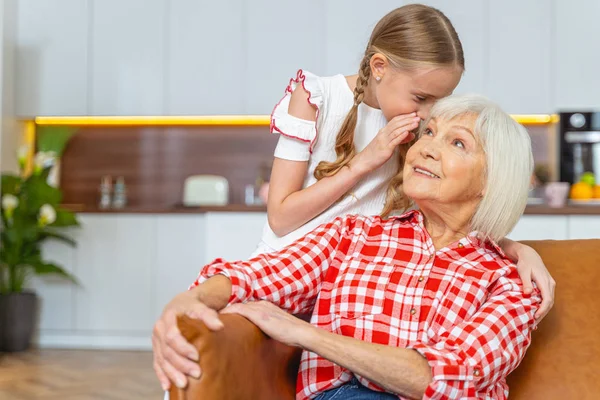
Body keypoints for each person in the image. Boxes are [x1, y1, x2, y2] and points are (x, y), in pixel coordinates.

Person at [154, 95, 542, 399]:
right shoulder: (352, 236)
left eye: (457, 142)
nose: (426, 148)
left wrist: (305, 335)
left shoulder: (511, 283)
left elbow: (448, 376)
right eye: (428, 133)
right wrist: (193, 300)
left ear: (493, 180)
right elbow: (260, 276)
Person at [255, 4, 554, 317]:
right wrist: (363, 163)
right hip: (287, 278)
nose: (428, 113)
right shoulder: (316, 99)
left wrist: (518, 250)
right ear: (379, 67)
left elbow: (443, 227)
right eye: (421, 98)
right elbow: (281, 218)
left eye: (441, 100)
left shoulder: (424, 130)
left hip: (349, 293)